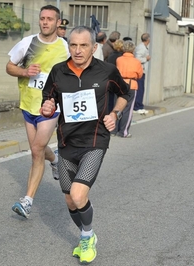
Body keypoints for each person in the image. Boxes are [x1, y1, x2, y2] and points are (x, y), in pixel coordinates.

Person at [40, 25, 129, 265]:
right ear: (68, 46)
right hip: (67, 142)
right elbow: (48, 98)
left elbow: (125, 94)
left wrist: (115, 114)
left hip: (95, 141)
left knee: (79, 195)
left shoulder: (107, 71)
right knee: (70, 200)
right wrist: (47, 106)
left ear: (94, 47)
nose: (78, 50)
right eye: (73, 45)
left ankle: (87, 236)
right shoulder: (58, 71)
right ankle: (86, 233)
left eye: (83, 45)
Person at [5, 5, 69, 218]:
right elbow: (9, 67)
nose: (45, 22)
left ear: (58, 22)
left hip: (50, 107)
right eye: (42, 18)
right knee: (37, 149)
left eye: (50, 19)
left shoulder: (65, 48)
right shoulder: (27, 43)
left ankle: (27, 201)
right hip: (28, 104)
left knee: (36, 150)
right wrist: (24, 71)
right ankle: (56, 159)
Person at [114, 40, 143, 138]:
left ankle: (113, 130)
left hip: (119, 84)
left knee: (117, 107)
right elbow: (140, 75)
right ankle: (123, 131)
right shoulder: (136, 62)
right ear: (133, 49)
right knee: (128, 109)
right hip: (131, 84)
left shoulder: (119, 59)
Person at [133, 33, 151, 114]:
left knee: (141, 89)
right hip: (140, 71)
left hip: (141, 71)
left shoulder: (143, 47)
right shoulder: (141, 48)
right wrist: (146, 59)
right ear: (148, 40)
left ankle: (139, 105)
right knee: (140, 89)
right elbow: (137, 59)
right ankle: (138, 106)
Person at [106, 39, 124, 112]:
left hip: (110, 78)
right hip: (118, 79)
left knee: (110, 99)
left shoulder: (111, 55)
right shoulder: (121, 57)